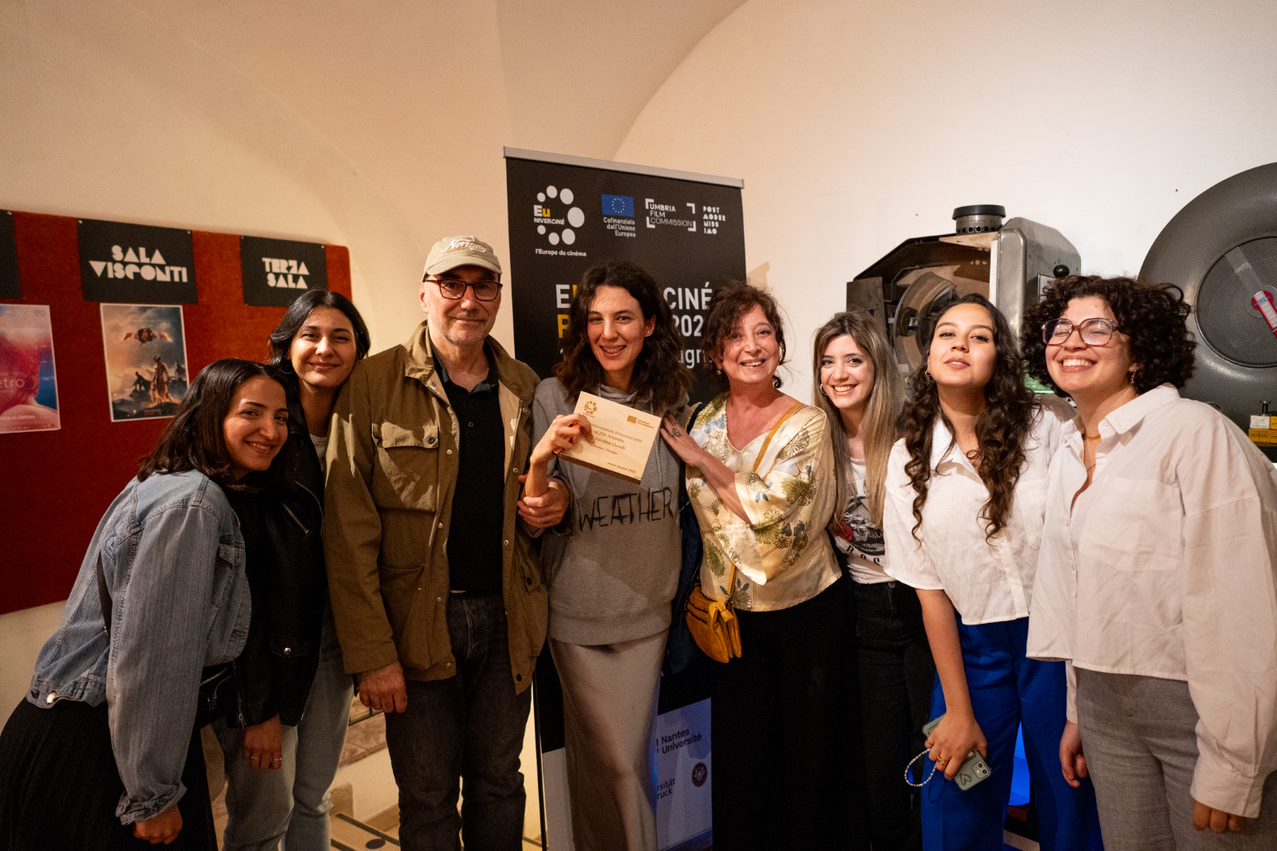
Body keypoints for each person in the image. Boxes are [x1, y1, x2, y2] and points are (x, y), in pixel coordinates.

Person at [323, 235, 568, 850]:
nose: (468, 300)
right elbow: (348, 531)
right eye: (452, 285)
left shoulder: (524, 385)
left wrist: (556, 503)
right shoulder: (373, 383)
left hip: (508, 619)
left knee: (499, 784)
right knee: (428, 800)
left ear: (498, 297)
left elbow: (546, 488)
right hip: (415, 628)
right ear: (424, 293)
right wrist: (373, 655)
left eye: (483, 286)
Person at [1023, 275, 1277, 848]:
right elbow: (1081, 594)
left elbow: (1243, 604)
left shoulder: (1195, 433)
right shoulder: (1069, 451)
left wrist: (1236, 765)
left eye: (1097, 328)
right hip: (1103, 705)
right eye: (1059, 328)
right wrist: (1078, 709)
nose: (1071, 341)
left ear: (1139, 348)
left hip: (1196, 708)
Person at [0, 359, 291, 849]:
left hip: (91, 730)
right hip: (93, 743)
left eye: (280, 417)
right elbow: (155, 657)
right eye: (251, 413)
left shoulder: (172, 481)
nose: (271, 430)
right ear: (210, 415)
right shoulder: (193, 504)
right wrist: (152, 795)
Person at [881, 294, 1101, 850]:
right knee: (957, 795)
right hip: (971, 652)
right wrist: (958, 708)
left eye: (978, 336)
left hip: (1059, 646)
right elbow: (929, 591)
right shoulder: (907, 457)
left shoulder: (1047, 426)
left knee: (1072, 793)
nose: (960, 344)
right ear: (927, 357)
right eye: (947, 334)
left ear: (999, 355)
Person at [660, 281, 847, 849]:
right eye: (735, 336)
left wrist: (703, 462)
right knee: (741, 762)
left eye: (764, 332)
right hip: (729, 619)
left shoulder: (808, 425)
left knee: (806, 760)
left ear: (780, 348)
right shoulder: (701, 418)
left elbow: (777, 514)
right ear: (716, 355)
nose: (752, 346)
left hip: (803, 615)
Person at [526, 260, 691, 850]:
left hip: (649, 613)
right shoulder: (555, 396)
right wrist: (544, 468)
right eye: (595, 320)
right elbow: (541, 504)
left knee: (618, 763)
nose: (608, 333)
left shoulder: (672, 400)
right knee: (616, 764)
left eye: (624, 318)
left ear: (650, 324)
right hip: (580, 614)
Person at [212, 290, 372, 850]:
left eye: (341, 337)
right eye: (311, 335)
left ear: (359, 350)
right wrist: (257, 703)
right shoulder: (264, 427)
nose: (325, 349)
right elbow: (242, 582)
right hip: (266, 648)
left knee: (314, 797)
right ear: (287, 344)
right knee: (264, 813)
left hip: (333, 639)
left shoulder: (364, 419)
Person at [814, 310, 933, 850]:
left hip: (925, 612)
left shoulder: (916, 436)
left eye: (853, 360)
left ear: (877, 367)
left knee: (936, 749)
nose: (839, 374)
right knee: (881, 765)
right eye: (828, 362)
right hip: (862, 617)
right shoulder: (815, 444)